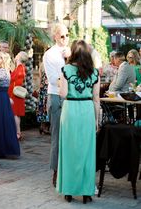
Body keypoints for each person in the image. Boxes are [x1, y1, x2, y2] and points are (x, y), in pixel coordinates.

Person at [56, 40, 100, 204]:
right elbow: (96, 99)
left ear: (73, 53)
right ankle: (87, 192)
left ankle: (68, 190)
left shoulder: (66, 69)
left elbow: (63, 93)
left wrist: (60, 82)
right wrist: (96, 120)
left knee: (69, 151)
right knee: (87, 152)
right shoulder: (94, 72)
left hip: (71, 110)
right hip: (87, 110)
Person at [43, 23, 71, 187]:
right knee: (57, 136)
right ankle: (56, 171)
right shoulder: (50, 55)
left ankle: (69, 170)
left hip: (73, 98)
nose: (65, 38)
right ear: (55, 36)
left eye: (67, 35)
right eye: (62, 36)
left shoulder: (72, 52)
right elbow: (54, 79)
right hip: (57, 97)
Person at [0, 50, 20, 158]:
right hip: (2, 98)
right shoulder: (3, 71)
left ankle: (0, 149)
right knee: (4, 122)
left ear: (3, 60)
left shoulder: (0, 72)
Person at [8, 51, 28, 141]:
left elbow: (18, 82)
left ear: (19, 57)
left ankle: (18, 133)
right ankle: (16, 132)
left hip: (15, 94)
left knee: (15, 114)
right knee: (15, 114)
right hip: (14, 94)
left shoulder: (20, 68)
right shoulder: (18, 67)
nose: (15, 56)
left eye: (17, 55)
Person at [36, 61, 50, 134]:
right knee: (46, 108)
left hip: (42, 89)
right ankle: (45, 127)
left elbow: (40, 77)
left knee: (42, 108)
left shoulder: (42, 64)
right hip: (47, 90)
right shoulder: (50, 65)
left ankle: (42, 126)